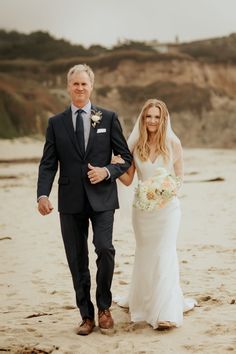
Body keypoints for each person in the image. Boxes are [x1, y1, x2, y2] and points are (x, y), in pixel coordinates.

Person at [37, 64, 132, 335]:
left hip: (103, 198)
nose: (80, 88)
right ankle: (86, 316)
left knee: (105, 249)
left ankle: (104, 308)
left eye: (84, 84)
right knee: (76, 259)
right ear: (69, 87)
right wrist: (42, 194)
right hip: (69, 201)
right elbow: (48, 163)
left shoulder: (109, 117)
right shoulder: (56, 123)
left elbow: (125, 158)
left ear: (92, 87)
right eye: (75, 84)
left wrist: (107, 171)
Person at [112, 98, 196, 330]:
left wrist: (165, 192)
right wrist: (115, 165)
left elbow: (178, 179)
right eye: (148, 116)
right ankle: (146, 302)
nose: (152, 120)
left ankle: (166, 312)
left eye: (157, 117)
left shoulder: (173, 144)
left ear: (164, 119)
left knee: (165, 253)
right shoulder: (135, 145)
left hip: (167, 210)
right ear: (143, 118)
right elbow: (129, 180)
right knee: (147, 254)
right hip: (142, 211)